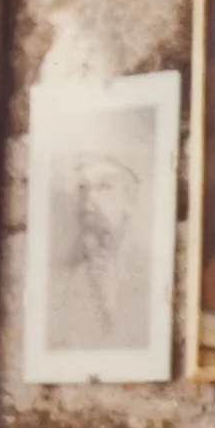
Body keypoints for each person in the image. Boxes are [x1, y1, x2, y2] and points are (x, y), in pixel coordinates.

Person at [47, 141, 151, 353]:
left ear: (129, 201)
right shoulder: (58, 280)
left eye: (104, 187)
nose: (88, 202)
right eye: (83, 188)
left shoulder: (151, 272)